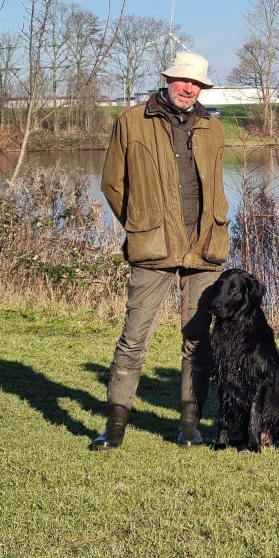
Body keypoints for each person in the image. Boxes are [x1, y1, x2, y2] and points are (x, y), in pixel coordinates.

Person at [91, 50, 230, 451]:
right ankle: (114, 428)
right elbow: (112, 184)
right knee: (134, 338)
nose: (189, 88)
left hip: (204, 247)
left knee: (198, 341)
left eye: (197, 83)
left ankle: (189, 427)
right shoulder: (132, 121)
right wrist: (141, 223)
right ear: (169, 80)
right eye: (183, 80)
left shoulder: (213, 128)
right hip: (153, 246)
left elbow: (215, 185)